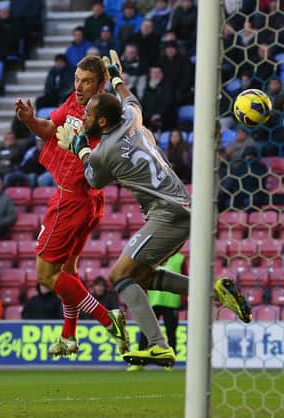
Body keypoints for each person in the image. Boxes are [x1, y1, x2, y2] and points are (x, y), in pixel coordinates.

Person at [55, 50, 251, 367]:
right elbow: (130, 98)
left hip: (167, 213)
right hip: (182, 206)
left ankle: (159, 345)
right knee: (142, 277)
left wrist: (79, 146)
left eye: (89, 115)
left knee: (119, 276)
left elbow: (92, 179)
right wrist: (117, 76)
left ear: (102, 121)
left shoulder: (105, 152)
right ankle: (214, 291)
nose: (85, 117)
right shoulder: (132, 117)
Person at [15, 55, 127, 357]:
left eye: (86, 81)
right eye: (76, 79)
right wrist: (29, 120)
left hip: (72, 200)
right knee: (67, 270)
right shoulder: (74, 104)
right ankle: (68, 337)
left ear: (99, 84)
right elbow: (50, 129)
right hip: (83, 200)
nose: (78, 86)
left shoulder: (103, 114)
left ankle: (108, 317)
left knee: (45, 276)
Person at [128, 253, 184, 372]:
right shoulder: (152, 257)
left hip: (172, 302)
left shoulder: (180, 259)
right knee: (146, 332)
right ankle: (140, 362)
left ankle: (169, 362)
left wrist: (183, 300)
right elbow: (142, 278)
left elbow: (186, 277)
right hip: (152, 301)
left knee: (171, 332)